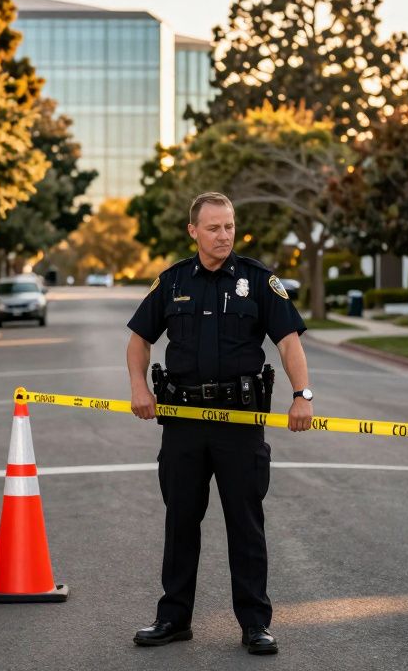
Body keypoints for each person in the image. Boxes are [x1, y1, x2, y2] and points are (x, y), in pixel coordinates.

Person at [125, 192, 314, 656]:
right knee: (181, 522)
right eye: (213, 228)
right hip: (183, 421)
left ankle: (255, 624)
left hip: (239, 423)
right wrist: (138, 388)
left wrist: (302, 395)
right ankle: (173, 618)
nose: (223, 235)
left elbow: (288, 341)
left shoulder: (258, 281)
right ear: (193, 231)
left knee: (245, 524)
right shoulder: (170, 283)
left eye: (229, 226)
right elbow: (138, 339)